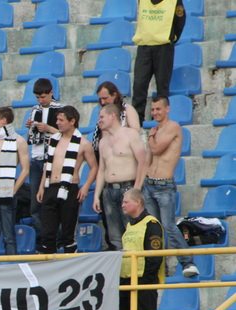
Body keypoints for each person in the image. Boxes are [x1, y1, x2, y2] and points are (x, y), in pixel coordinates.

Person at [143, 96, 199, 277]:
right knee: (154, 228)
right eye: (152, 109)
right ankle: (159, 266)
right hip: (149, 184)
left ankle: (187, 262)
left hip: (164, 186)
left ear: (167, 109)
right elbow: (148, 158)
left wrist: (150, 136)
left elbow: (157, 149)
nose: (155, 113)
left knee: (168, 226)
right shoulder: (155, 130)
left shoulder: (173, 127)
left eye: (158, 109)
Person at [36, 106, 97, 254]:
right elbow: (47, 165)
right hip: (51, 186)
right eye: (57, 119)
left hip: (69, 188)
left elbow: (94, 167)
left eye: (61, 120)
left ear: (72, 121)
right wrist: (41, 187)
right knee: (47, 232)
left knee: (68, 232)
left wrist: (86, 186)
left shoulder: (83, 143)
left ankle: (70, 262)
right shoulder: (53, 140)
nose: (57, 122)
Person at [93, 104, 148, 251]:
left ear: (113, 116)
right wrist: (97, 195)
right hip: (109, 191)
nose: (99, 120)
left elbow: (143, 162)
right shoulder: (103, 142)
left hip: (128, 187)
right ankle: (120, 265)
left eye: (102, 117)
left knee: (132, 231)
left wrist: (136, 189)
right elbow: (101, 170)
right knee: (114, 236)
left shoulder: (130, 134)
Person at [119, 188, 164, 310]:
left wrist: (144, 281)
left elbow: (154, 257)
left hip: (143, 282)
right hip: (127, 281)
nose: (122, 205)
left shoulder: (151, 224)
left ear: (138, 202)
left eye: (126, 202)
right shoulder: (130, 225)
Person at [0, 107, 30, 255]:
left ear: (4, 120)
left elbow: (26, 169)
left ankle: (12, 265)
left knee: (8, 235)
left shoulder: (19, 141)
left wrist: (14, 190)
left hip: (5, 192)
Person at [132, 0, 186, 125]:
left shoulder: (174, 1)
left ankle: (162, 122)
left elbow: (180, 20)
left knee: (162, 87)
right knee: (139, 85)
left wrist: (172, 37)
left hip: (163, 47)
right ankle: (137, 121)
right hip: (144, 46)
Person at [26, 78, 63, 234]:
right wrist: (31, 127)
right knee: (35, 203)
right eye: (38, 97)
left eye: (43, 97)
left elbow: (67, 134)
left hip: (53, 160)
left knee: (53, 201)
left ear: (51, 93)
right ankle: (44, 237)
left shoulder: (61, 109)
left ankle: (56, 237)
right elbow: (31, 137)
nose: (40, 100)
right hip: (36, 158)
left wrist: (48, 128)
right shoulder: (35, 110)